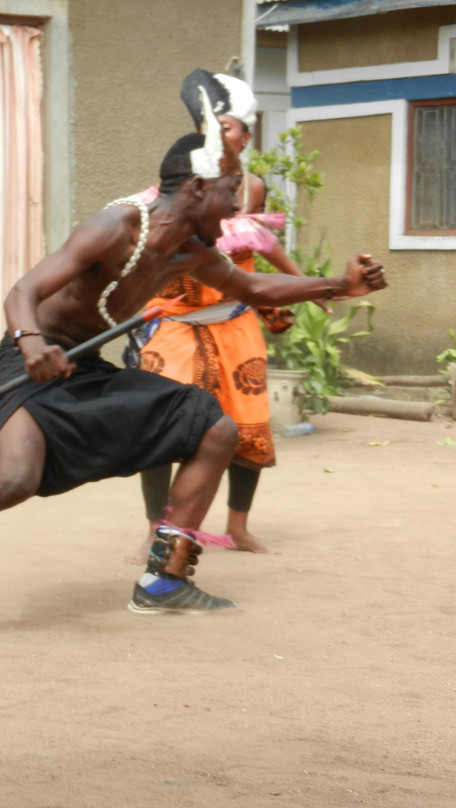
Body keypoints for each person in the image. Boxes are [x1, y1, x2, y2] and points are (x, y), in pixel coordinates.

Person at [0, 88, 386, 635]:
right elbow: (22, 291)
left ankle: (165, 579)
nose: (237, 205)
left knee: (213, 427)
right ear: (196, 188)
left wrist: (338, 285)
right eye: (229, 191)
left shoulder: (192, 252)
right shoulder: (116, 226)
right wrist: (32, 345)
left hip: (85, 366)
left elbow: (252, 285)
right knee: (14, 479)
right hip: (31, 360)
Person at [129, 68, 326, 555]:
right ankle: (159, 528)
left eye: (248, 129)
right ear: (211, 126)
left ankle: (237, 528)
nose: (246, 137)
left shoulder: (251, 186)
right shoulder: (165, 187)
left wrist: (309, 285)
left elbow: (263, 241)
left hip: (236, 321)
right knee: (161, 423)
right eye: (238, 127)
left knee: (246, 423)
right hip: (173, 324)